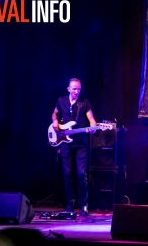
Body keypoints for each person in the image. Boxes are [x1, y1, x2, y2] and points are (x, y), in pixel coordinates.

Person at [51, 78, 97, 216]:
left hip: (81, 143)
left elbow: (91, 119)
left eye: (78, 89)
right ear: (68, 89)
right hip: (65, 142)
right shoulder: (61, 101)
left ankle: (84, 205)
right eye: (74, 89)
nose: (76, 91)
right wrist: (54, 121)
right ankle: (70, 204)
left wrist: (93, 127)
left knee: (81, 173)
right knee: (67, 174)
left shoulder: (84, 103)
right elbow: (55, 113)